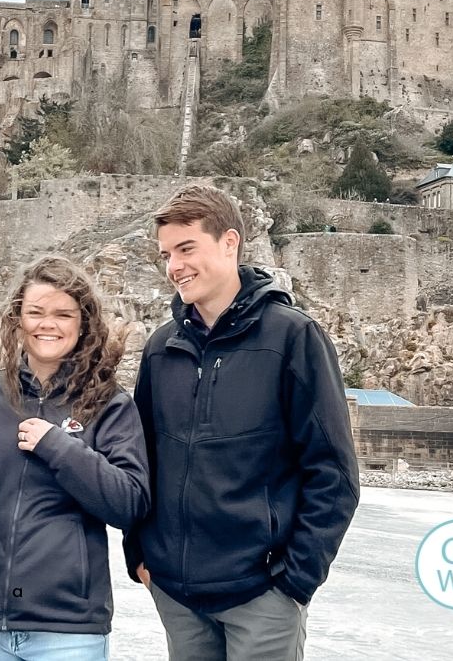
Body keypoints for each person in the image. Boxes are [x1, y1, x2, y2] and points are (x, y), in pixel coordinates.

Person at [123, 184, 359, 661]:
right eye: (167, 254)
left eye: (187, 248)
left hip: (262, 596)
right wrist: (140, 556)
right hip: (177, 593)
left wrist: (296, 579)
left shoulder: (293, 337)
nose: (175, 266)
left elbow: (334, 473)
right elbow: (141, 458)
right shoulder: (161, 347)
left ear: (229, 243)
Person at [0, 255, 150, 661]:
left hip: (68, 626)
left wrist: (58, 446)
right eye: (35, 312)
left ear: (83, 322)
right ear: (17, 319)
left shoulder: (108, 403)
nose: (48, 324)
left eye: (63, 314)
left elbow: (130, 503)